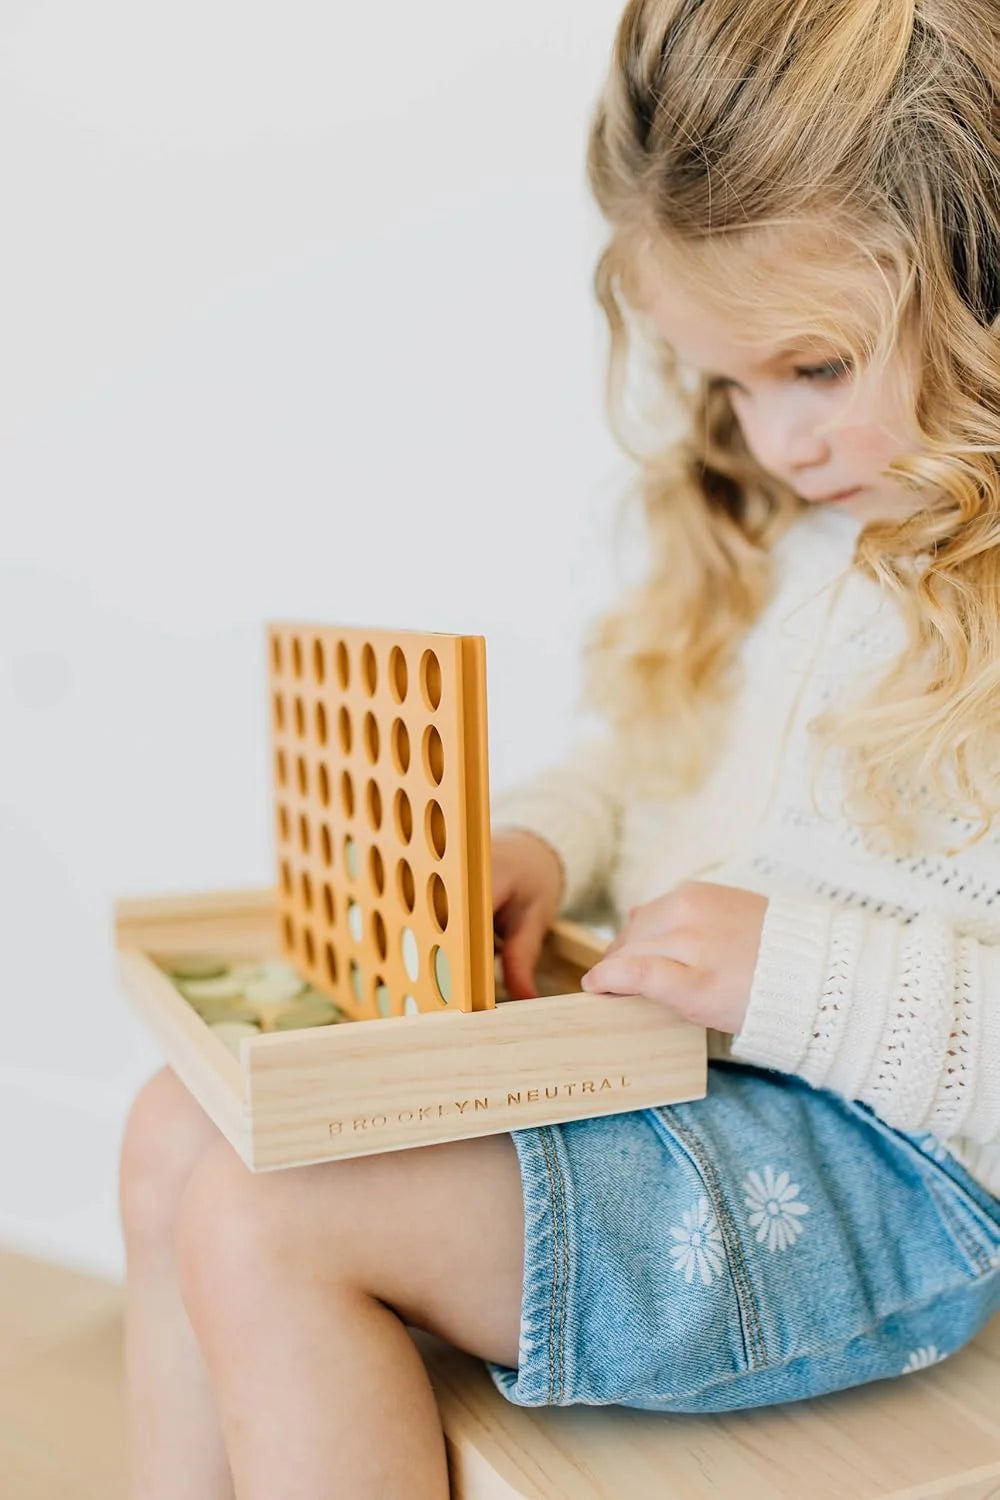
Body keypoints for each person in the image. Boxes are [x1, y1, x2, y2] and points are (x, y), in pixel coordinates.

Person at [118, 1, 1000, 1495]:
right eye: (732, 383)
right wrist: (542, 842)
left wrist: (789, 973)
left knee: (270, 1219)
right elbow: (642, 762)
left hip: (893, 1175)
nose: (776, 445)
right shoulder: (801, 534)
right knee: (175, 1129)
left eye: (814, 368)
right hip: (673, 1059)